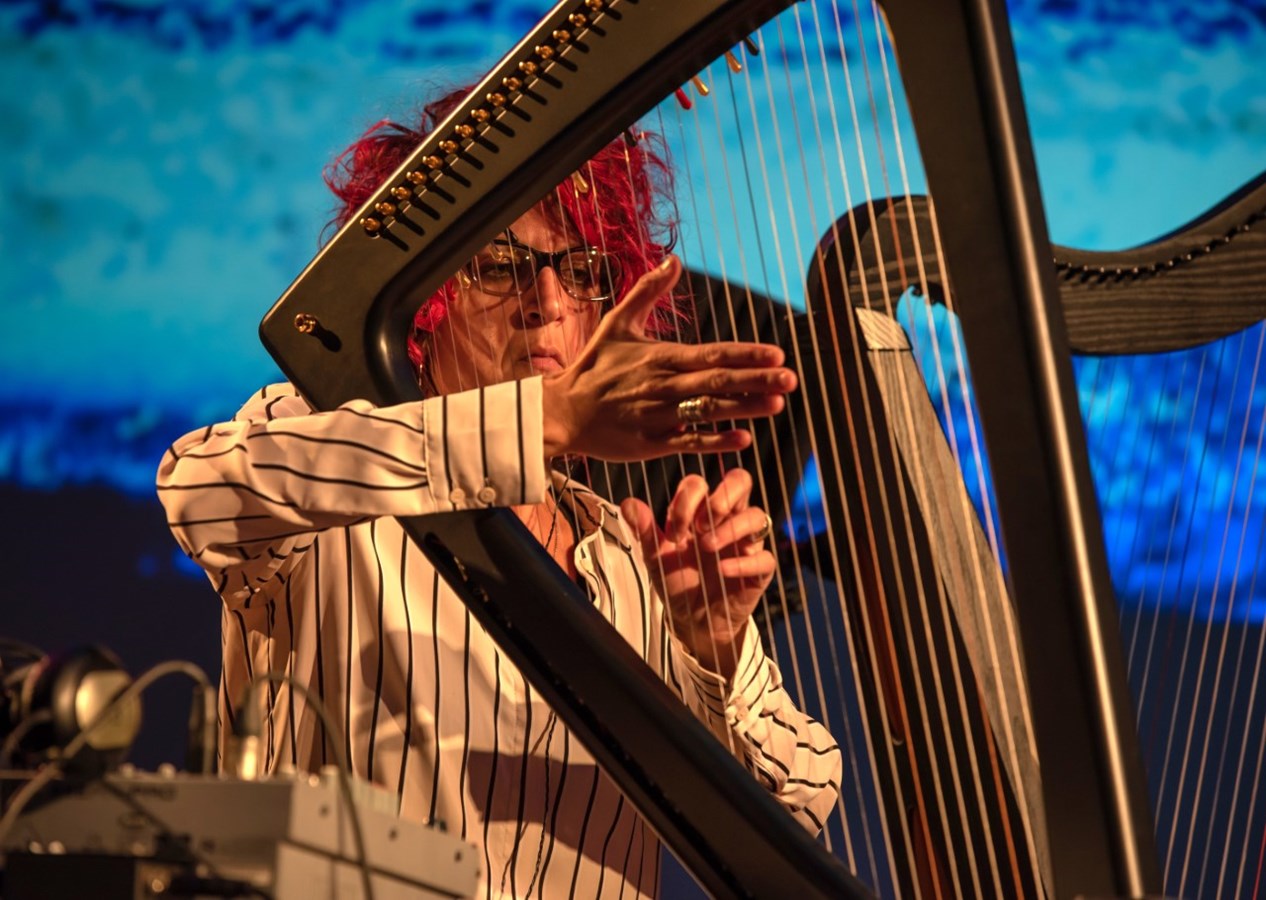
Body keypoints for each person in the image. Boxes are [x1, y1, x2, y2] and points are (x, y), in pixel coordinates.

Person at [157, 88, 841, 899]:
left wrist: (713, 649)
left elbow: (803, 802)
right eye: (500, 264)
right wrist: (541, 419)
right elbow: (199, 491)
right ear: (421, 293)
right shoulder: (328, 455)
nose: (548, 304)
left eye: (582, 272)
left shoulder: (628, 557)